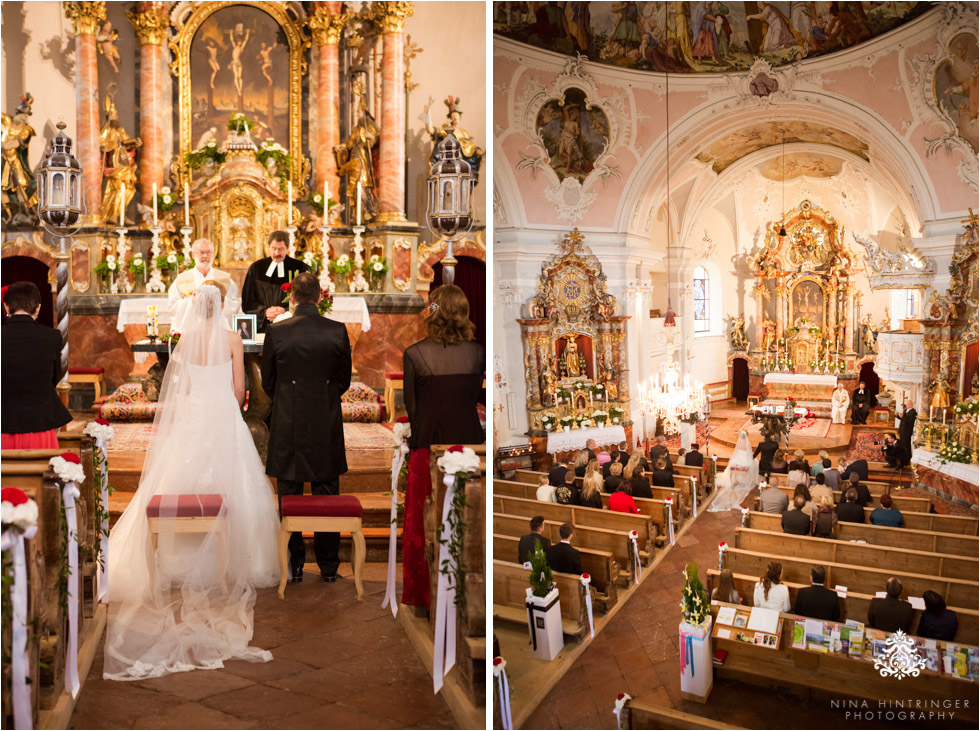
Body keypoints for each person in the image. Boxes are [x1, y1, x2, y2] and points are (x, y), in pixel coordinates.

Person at [104, 283, 280, 680]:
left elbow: (178, 388)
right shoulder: (233, 338)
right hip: (222, 418)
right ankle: (231, 562)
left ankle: (175, 559)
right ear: (221, 306)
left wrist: (196, 412)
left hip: (193, 418)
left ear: (195, 308)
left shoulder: (184, 340)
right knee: (236, 485)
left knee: (175, 480)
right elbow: (239, 391)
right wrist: (224, 412)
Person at [261, 273, 351, 583]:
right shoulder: (337, 330)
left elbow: (268, 381)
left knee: (289, 491)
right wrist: (322, 396)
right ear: (319, 296)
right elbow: (344, 380)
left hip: (288, 418)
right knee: (327, 491)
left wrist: (290, 397)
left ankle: (295, 563)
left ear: (293, 298)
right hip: (325, 417)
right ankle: (328, 566)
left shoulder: (276, 331)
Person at [399, 284, 483, 608]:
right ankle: (463, 599)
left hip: (428, 447)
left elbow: (414, 408)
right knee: (469, 522)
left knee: (425, 525)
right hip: (468, 448)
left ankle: (425, 596)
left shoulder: (415, 353)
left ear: (432, 312)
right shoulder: (477, 353)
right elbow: (473, 396)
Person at [1, 282, 72, 448]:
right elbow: (54, 377)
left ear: (6, 307)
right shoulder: (52, 337)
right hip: (40, 423)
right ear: (38, 308)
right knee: (41, 470)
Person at [241, 231, 310, 332]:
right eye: (274, 248)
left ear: (288, 248)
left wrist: (286, 311)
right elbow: (247, 302)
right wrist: (265, 312)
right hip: (263, 327)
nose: (277, 253)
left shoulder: (300, 268)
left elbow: (308, 300)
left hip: (292, 326)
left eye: (281, 249)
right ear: (268, 247)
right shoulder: (256, 268)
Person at [168, 238, 240, 333]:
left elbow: (234, 305)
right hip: (191, 332)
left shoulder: (225, 279)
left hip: (218, 331)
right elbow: (172, 307)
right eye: (201, 252)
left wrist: (217, 300)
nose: (205, 256)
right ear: (193, 255)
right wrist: (190, 301)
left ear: (213, 255)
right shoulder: (181, 280)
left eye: (208, 252)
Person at [709, 431, 760, 512]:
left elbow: (736, 453)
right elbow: (749, 454)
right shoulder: (747, 444)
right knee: (755, 463)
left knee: (734, 465)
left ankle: (734, 480)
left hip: (738, 459)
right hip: (745, 460)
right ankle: (747, 480)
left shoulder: (739, 443)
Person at [898, 399, 917, 467]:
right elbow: (903, 419)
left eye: (907, 404)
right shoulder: (906, 410)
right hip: (902, 430)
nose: (906, 405)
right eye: (906, 404)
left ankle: (907, 460)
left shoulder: (913, 412)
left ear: (911, 404)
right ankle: (903, 459)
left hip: (907, 431)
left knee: (906, 446)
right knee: (902, 445)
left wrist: (903, 417)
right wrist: (897, 416)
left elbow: (910, 422)